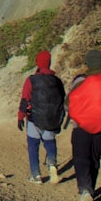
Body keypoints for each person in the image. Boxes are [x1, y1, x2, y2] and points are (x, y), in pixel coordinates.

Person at [65, 49, 101, 201]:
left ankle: (85, 189)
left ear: (87, 63)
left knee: (81, 158)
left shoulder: (80, 80)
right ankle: (91, 189)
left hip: (81, 126)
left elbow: (68, 103)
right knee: (94, 159)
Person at [17, 50, 65, 184]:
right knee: (50, 143)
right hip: (51, 119)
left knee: (33, 146)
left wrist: (20, 116)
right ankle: (52, 165)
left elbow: (25, 100)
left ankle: (36, 175)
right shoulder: (56, 81)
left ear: (37, 63)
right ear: (49, 63)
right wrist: (60, 119)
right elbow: (62, 100)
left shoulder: (31, 80)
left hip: (34, 119)